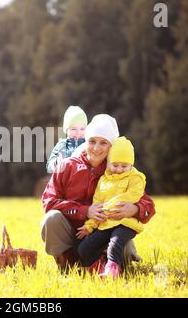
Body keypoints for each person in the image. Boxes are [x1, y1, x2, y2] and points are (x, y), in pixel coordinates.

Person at [40, 114, 155, 274]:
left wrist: (134, 209)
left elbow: (148, 205)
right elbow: (48, 201)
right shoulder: (66, 166)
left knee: (126, 253)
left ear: (111, 146)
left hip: (104, 232)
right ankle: (68, 265)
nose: (96, 148)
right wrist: (85, 210)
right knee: (51, 219)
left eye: (103, 143)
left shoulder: (119, 169)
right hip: (72, 233)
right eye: (92, 141)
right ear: (85, 141)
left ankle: (106, 265)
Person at [76, 136, 146, 279]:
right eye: (115, 165)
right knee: (84, 249)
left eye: (124, 166)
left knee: (114, 245)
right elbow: (98, 205)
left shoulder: (136, 178)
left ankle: (112, 272)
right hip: (106, 223)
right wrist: (89, 225)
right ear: (108, 163)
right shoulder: (103, 180)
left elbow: (133, 195)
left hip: (125, 223)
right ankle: (100, 268)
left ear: (131, 165)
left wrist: (109, 206)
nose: (119, 169)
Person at [46, 105, 88, 173]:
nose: (78, 132)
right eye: (73, 129)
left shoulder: (88, 144)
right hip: (65, 180)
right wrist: (55, 164)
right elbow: (48, 167)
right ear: (66, 130)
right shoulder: (62, 145)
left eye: (82, 129)